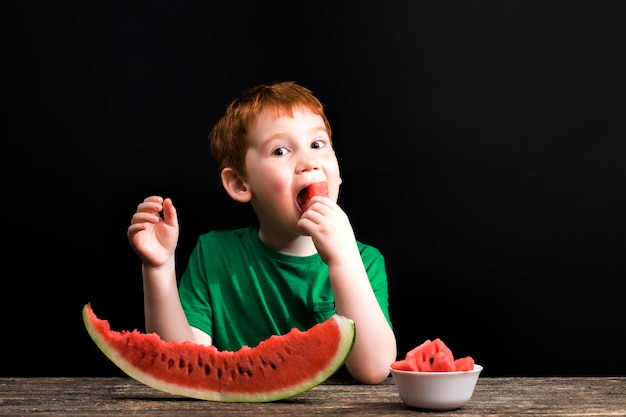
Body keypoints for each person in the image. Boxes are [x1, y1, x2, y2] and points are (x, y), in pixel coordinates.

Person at [127, 80, 397, 384]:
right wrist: (158, 267)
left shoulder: (364, 260)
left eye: (318, 145)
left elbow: (374, 369)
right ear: (241, 184)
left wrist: (343, 260)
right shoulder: (214, 253)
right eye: (281, 150)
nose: (308, 163)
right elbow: (179, 364)